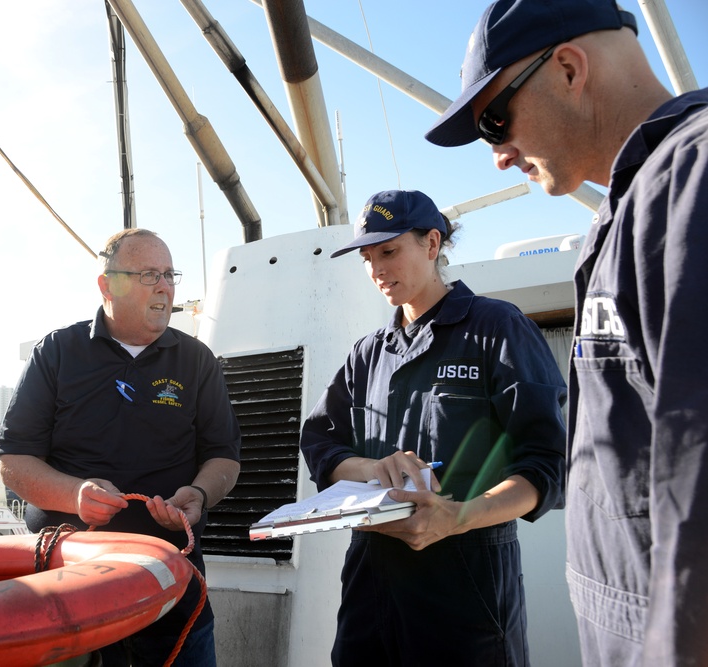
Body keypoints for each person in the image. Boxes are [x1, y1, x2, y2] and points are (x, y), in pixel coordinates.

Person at [425, 0, 708, 664]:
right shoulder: (628, 212)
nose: (495, 156)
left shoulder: (692, 181)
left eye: (495, 120)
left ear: (570, 68)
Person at [300, 190, 566, 666]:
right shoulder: (368, 352)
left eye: (388, 251)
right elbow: (321, 442)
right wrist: (372, 467)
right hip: (369, 584)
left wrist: (456, 516)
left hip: (465, 584)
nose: (377, 269)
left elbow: (546, 462)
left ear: (431, 244)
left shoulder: (496, 327)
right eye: (367, 257)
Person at [0, 228, 241, 667]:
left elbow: (223, 456)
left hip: (172, 594)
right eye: (150, 274)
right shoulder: (56, 352)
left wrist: (200, 495)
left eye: (169, 274)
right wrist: (73, 495)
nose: (165, 286)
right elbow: (13, 462)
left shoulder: (197, 361)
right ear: (107, 285)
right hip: (68, 600)